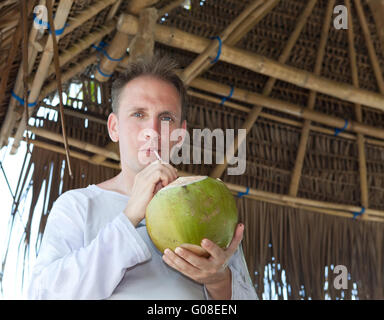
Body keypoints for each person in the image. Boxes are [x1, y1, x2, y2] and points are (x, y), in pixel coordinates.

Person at [27, 55, 258, 300]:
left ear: (180, 135)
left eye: (166, 118)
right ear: (114, 127)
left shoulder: (209, 207)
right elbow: (43, 294)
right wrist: (128, 218)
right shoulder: (78, 205)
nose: (153, 131)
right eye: (138, 114)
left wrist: (220, 281)